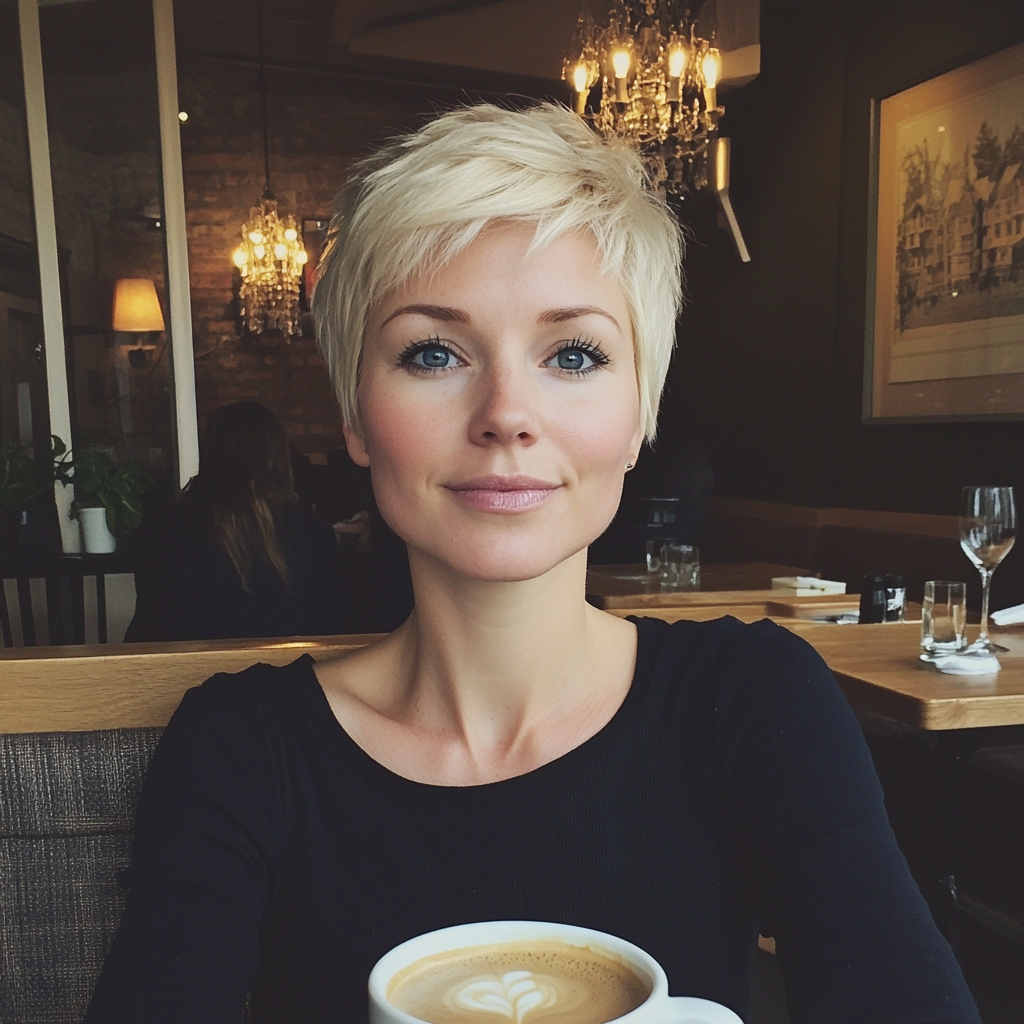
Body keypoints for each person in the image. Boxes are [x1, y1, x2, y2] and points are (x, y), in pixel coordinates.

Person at [87, 104, 978, 1023]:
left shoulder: (753, 698)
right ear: (354, 417)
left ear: (639, 417)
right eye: (433, 352)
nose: (507, 412)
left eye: (574, 354)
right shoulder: (242, 749)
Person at [125, 401, 353, 642]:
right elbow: (335, 626)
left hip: (186, 675)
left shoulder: (165, 528)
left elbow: (150, 625)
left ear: (210, 452)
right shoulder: (310, 532)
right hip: (292, 674)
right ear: (277, 455)